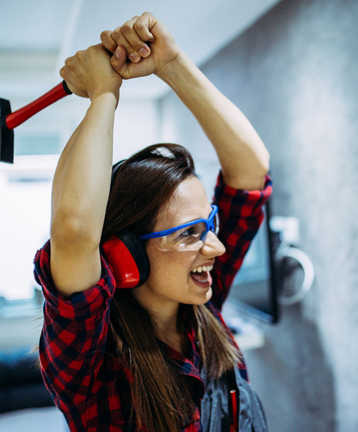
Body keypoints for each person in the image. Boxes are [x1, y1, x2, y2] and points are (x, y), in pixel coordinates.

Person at [33, 12, 271, 432]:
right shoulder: (92, 371)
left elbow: (251, 170)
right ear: (126, 254)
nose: (214, 248)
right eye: (189, 233)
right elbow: (72, 230)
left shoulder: (203, 309)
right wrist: (104, 93)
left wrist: (171, 62)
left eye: (208, 224)